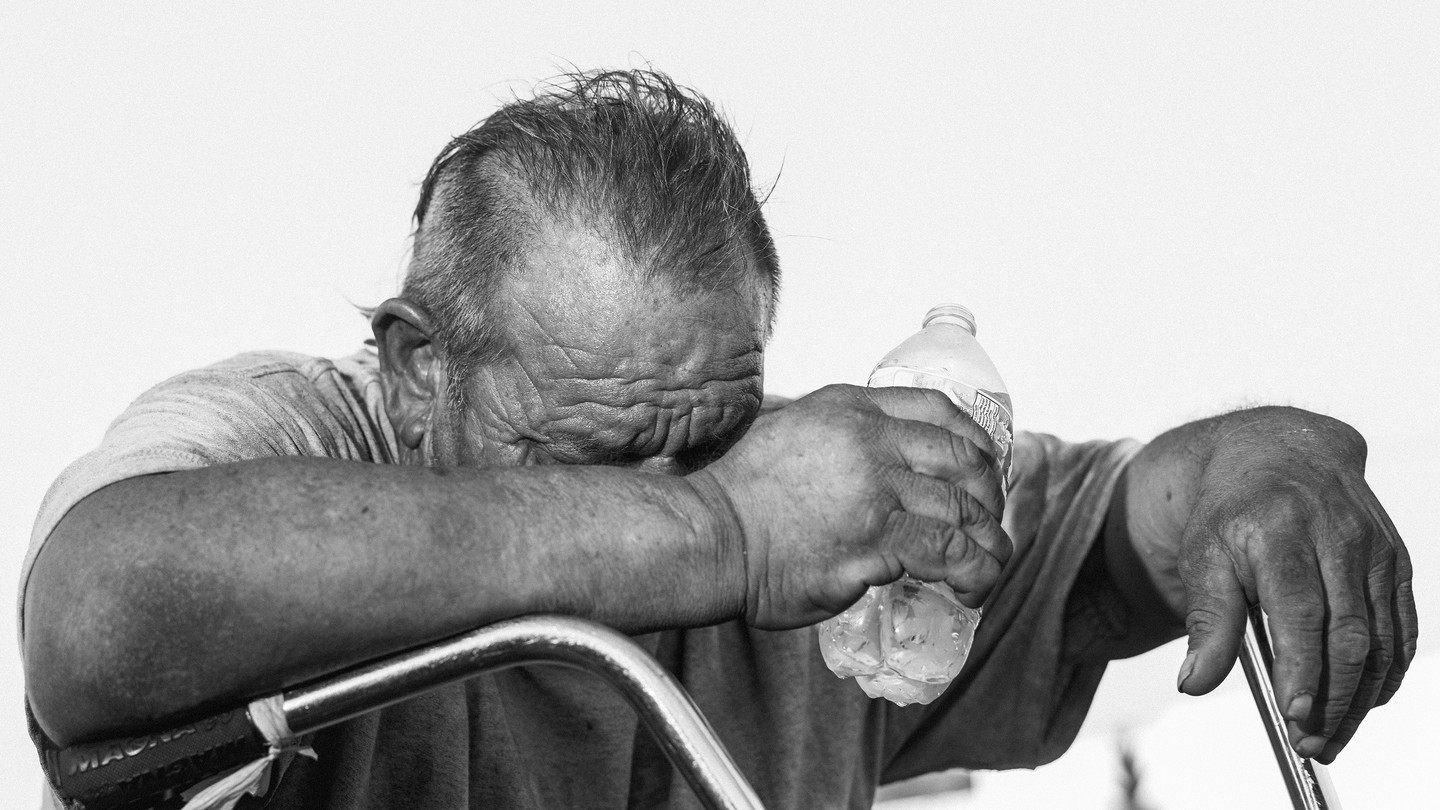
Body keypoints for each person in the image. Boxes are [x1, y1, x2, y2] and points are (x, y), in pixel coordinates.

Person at [21, 69, 1415, 809]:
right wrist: (722, 533)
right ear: (418, 372)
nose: (669, 487)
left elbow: (1112, 540)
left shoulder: (809, 510)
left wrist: (1253, 471)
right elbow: (99, 609)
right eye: (591, 449)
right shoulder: (289, 436)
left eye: (708, 439)